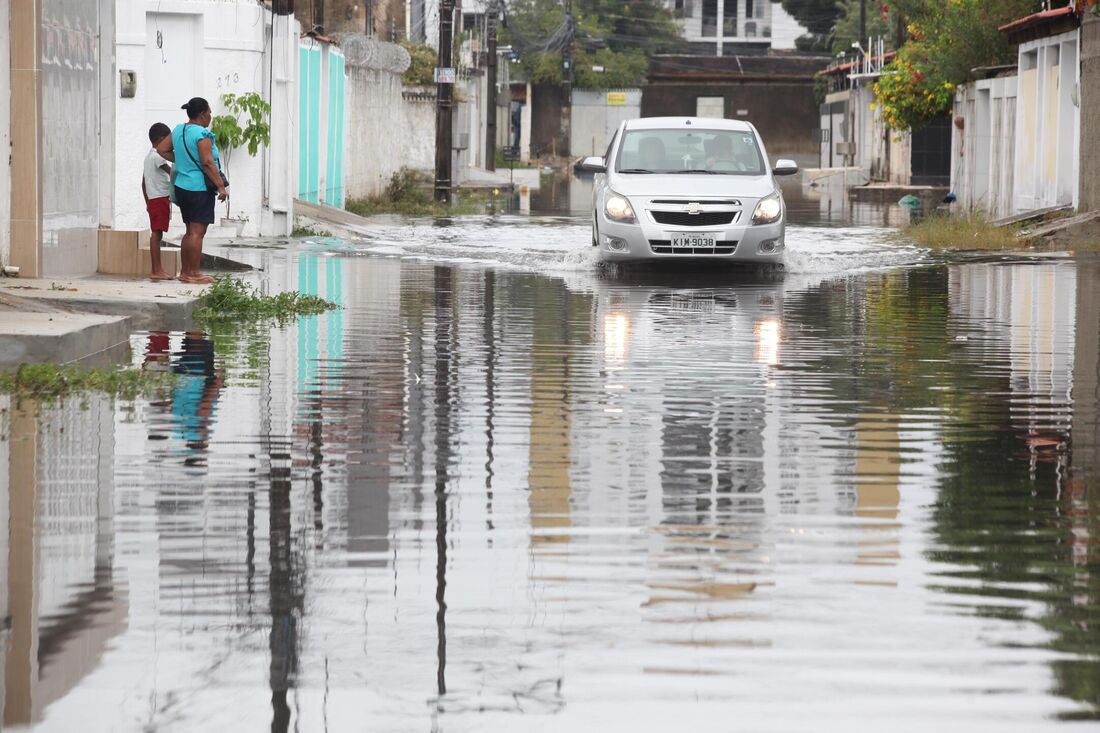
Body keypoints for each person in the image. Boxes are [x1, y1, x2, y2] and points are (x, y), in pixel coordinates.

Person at [155, 97, 228, 285]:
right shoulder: (202, 134)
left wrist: (179, 159)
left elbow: (161, 149)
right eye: (210, 112)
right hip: (199, 188)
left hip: (182, 187)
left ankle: (185, 272)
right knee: (197, 232)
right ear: (202, 114)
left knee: (189, 231)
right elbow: (207, 162)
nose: (211, 116)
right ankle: (193, 273)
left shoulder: (179, 129)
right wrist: (221, 186)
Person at [143, 123, 175, 281]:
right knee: (156, 234)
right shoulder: (158, 157)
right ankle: (156, 270)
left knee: (157, 233)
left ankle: (157, 269)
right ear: (162, 140)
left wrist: (147, 202)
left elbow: (143, 183)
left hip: (153, 198)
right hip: (160, 197)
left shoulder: (148, 157)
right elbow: (172, 172)